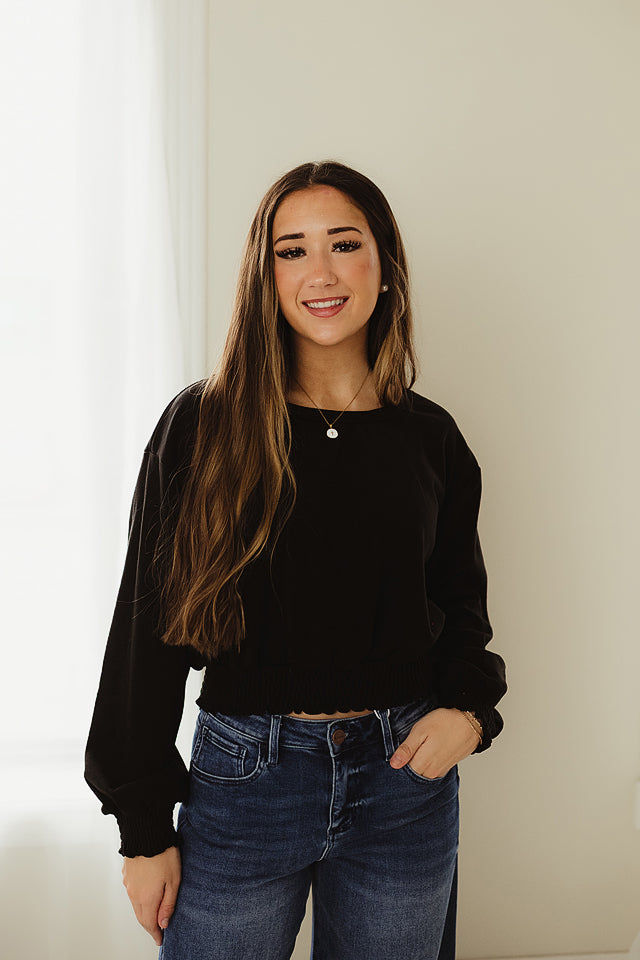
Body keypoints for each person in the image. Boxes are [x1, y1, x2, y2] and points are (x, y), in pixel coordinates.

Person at [85, 159, 507, 960]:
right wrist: (142, 830)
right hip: (245, 783)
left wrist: (471, 713)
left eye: (344, 244)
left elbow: (460, 609)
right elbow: (145, 631)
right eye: (292, 250)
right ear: (265, 275)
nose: (321, 272)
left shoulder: (431, 438)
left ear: (384, 266)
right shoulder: (203, 425)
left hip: (405, 783)